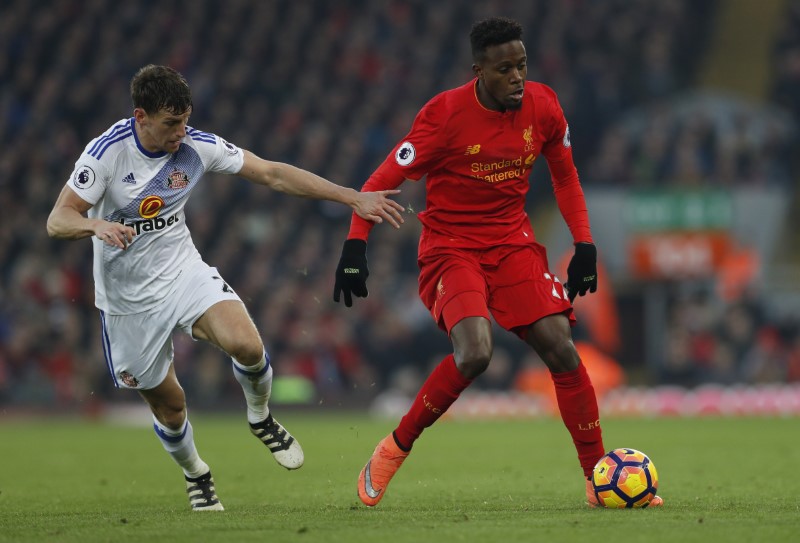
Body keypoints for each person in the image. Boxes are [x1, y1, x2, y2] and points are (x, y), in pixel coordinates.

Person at [333, 17, 662, 508]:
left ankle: (596, 480)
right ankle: (394, 447)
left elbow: (567, 179)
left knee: (562, 348)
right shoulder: (443, 115)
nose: (517, 77)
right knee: (475, 354)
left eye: (522, 65)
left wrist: (586, 246)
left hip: (512, 243)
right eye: (505, 68)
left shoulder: (545, 106)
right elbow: (381, 179)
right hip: (451, 247)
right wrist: (356, 246)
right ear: (479, 72)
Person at [47, 64, 405, 511]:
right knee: (171, 407)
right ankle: (196, 472)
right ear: (141, 116)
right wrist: (95, 224)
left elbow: (272, 173)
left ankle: (261, 417)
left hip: (182, 272)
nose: (181, 132)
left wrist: (351, 196)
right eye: (170, 123)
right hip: (127, 302)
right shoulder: (106, 154)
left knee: (247, 346)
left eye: (185, 119)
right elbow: (58, 219)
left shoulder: (197, 146)